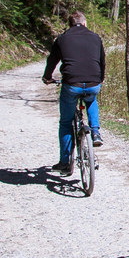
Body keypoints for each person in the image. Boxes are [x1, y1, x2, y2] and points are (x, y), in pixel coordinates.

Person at [42, 11, 105, 175]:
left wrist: (47, 77)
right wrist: (100, 79)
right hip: (93, 82)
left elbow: (52, 61)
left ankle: (64, 163)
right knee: (91, 100)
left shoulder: (62, 39)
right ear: (85, 23)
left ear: (70, 24)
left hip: (72, 84)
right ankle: (96, 132)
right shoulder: (95, 37)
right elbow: (101, 61)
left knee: (65, 122)